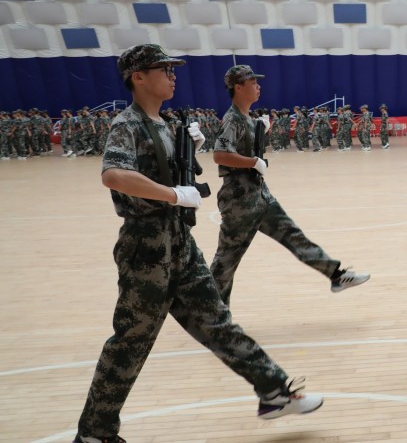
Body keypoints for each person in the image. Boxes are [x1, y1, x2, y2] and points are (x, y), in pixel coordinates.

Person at [74, 45, 322, 443]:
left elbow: (175, 172)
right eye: (163, 69)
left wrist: (189, 152)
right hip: (146, 249)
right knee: (131, 342)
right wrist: (173, 195)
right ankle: (95, 433)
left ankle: (274, 391)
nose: (173, 75)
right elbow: (114, 175)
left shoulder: (166, 122)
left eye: (173, 69)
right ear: (138, 77)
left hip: (180, 244)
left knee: (218, 322)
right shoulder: (128, 123)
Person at [210, 65, 370, 306]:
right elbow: (220, 155)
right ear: (238, 87)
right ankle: (212, 312)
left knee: (295, 237)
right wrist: (253, 162)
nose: (258, 86)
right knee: (226, 262)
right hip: (239, 202)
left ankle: (336, 275)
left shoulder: (247, 118)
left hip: (260, 196)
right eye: (252, 82)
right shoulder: (233, 119)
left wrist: (260, 133)